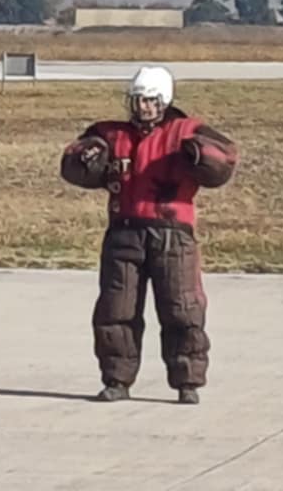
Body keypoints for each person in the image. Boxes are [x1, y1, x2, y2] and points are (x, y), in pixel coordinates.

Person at [59, 65, 237, 405]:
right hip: (124, 234)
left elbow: (226, 159)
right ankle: (117, 380)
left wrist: (200, 155)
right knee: (115, 311)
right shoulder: (110, 134)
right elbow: (72, 161)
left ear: (164, 101)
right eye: (137, 101)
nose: (142, 108)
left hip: (173, 236)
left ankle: (188, 381)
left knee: (182, 309)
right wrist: (86, 158)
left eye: (150, 101)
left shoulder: (187, 131)